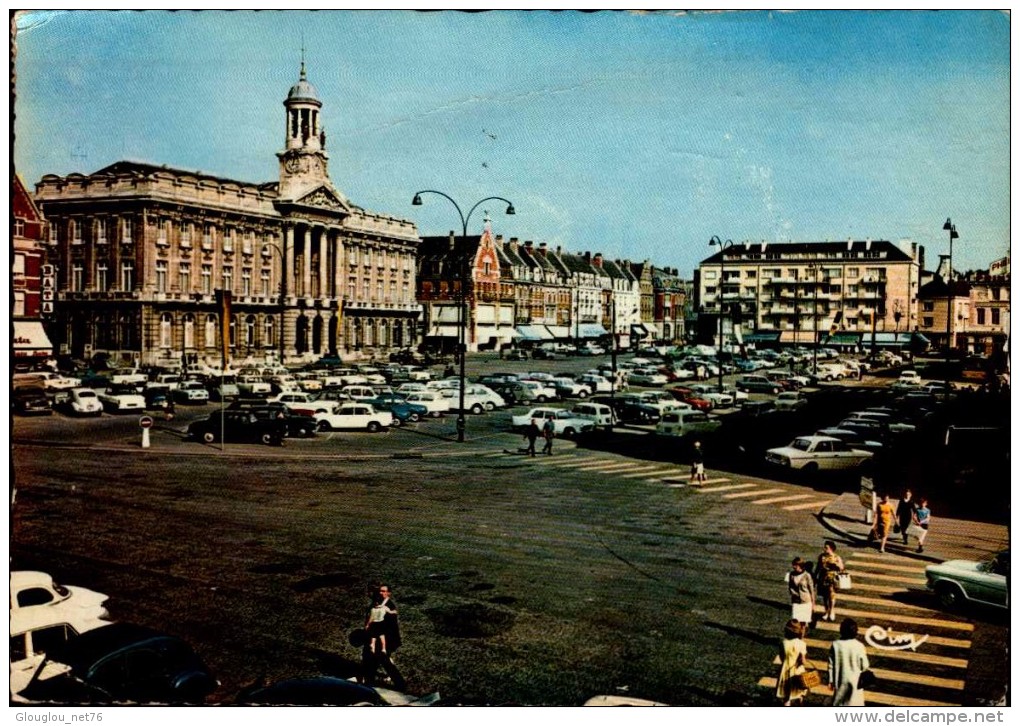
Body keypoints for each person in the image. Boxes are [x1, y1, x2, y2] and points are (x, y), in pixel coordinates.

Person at [361, 584, 406, 691]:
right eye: (380, 591)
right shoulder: (378, 602)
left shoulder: (389, 606)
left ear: (388, 593)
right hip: (376, 637)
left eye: (383, 591)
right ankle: (369, 681)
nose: (380, 593)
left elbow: (390, 627)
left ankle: (400, 684)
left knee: (382, 661)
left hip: (385, 639)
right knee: (374, 659)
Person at [828, 618, 870, 706]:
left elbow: (831, 665)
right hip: (855, 681)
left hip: (840, 679)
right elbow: (865, 665)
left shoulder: (835, 644)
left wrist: (831, 680)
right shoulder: (859, 646)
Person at [775, 619, 809, 706]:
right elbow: (803, 661)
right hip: (798, 671)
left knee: (787, 697)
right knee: (799, 694)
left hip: (785, 670)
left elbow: (782, 657)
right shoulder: (802, 644)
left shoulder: (783, 643)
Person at [815, 540, 845, 622]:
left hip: (832, 578)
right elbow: (818, 567)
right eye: (825, 547)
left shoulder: (836, 557)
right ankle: (826, 611)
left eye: (826, 547)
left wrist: (837, 565)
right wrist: (815, 576)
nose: (824, 549)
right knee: (825, 596)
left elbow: (842, 568)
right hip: (823, 577)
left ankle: (831, 610)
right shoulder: (822, 556)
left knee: (831, 595)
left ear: (831, 548)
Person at [787, 557, 816, 627]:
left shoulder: (807, 575)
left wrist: (813, 604)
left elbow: (811, 590)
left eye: (795, 565)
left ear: (800, 566)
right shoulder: (792, 574)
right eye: (793, 565)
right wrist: (792, 593)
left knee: (804, 622)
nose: (793, 567)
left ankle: (801, 635)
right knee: (796, 621)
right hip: (796, 601)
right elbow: (790, 586)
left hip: (806, 601)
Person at [364, 591, 389, 655]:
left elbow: (371, 619)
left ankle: (373, 649)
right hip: (381, 623)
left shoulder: (373, 609)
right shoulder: (384, 608)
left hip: (374, 624)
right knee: (382, 636)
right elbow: (387, 598)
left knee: (373, 637)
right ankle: (384, 649)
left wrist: (367, 625)